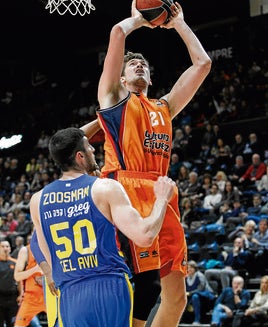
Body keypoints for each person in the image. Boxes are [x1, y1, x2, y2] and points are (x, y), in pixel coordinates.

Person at [96, 0, 212, 325]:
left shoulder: (164, 108)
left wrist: (179, 24)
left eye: (143, 64)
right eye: (132, 64)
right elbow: (117, 33)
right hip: (127, 190)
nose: (139, 66)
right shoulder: (114, 101)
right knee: (145, 288)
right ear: (119, 80)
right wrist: (136, 21)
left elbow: (202, 64)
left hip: (162, 192)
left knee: (177, 297)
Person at [30, 127, 176, 327]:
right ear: (80, 156)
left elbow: (46, 254)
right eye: (89, 146)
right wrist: (161, 199)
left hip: (71, 295)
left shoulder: (37, 201)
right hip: (109, 287)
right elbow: (145, 235)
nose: (92, 149)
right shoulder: (105, 188)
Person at [13, 234, 46, 327]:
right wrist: (35, 269)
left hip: (51, 296)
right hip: (31, 298)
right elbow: (17, 276)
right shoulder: (25, 251)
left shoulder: (53, 248)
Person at [184, 260, 216, 325]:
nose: (189, 269)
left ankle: (197, 320)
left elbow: (200, 289)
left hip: (205, 296)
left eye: (191, 268)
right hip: (192, 295)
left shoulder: (200, 276)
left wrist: (189, 293)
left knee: (195, 296)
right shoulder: (187, 277)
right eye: (188, 268)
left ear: (195, 268)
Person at [0, 239, 21, 327]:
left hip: (12, 297)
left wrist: (21, 294)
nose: (5, 248)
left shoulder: (15, 263)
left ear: (10, 249)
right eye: (2, 246)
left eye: (7, 246)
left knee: (13, 323)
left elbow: (20, 281)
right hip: (0, 297)